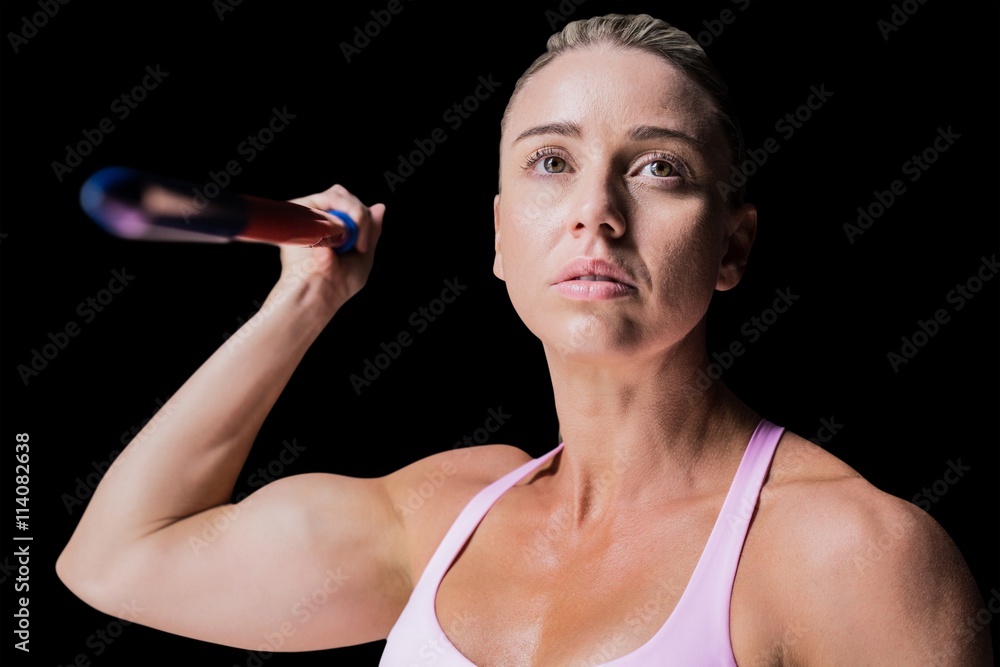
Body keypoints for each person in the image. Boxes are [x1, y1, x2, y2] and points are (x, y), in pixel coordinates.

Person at [55, 13, 992, 666]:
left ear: (731, 245)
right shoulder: (442, 521)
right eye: (553, 161)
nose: (597, 212)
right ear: (501, 236)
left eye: (659, 167)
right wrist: (302, 304)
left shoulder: (846, 550)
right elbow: (116, 559)